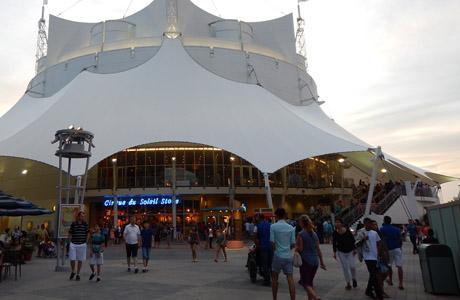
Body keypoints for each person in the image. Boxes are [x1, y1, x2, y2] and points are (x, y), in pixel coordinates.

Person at [296, 215, 326, 300]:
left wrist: (295, 249)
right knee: (310, 283)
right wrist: (322, 262)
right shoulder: (314, 234)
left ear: (302, 223)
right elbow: (318, 249)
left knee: (305, 283)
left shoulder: (301, 234)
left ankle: (315, 297)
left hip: (306, 261)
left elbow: (300, 249)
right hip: (315, 262)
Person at [270, 208, 296, 300]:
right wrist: (287, 249)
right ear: (285, 215)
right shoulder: (291, 228)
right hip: (288, 256)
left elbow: (272, 242)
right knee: (290, 278)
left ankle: (274, 298)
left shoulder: (273, 226)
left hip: (277, 255)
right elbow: (293, 243)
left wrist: (276, 250)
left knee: (274, 278)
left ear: (276, 216)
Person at [356, 218, 383, 300]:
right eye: (367, 223)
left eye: (370, 224)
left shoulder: (374, 233)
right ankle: (379, 295)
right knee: (374, 275)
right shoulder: (361, 232)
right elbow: (356, 244)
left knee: (373, 274)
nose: (369, 225)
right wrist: (363, 240)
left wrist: (378, 252)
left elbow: (379, 243)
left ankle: (368, 290)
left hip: (375, 256)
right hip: (367, 256)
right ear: (364, 224)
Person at [332, 218, 357, 290]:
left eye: (338, 222)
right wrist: (334, 252)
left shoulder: (347, 230)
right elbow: (334, 243)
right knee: (345, 268)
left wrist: (355, 249)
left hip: (350, 251)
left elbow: (352, 240)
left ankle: (354, 278)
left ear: (342, 223)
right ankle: (348, 283)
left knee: (352, 266)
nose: (337, 224)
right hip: (341, 252)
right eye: (336, 222)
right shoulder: (335, 233)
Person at [380, 216, 404, 290]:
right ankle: (400, 283)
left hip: (388, 250)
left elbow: (381, 240)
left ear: (384, 221)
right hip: (397, 248)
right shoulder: (397, 229)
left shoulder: (382, 229)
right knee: (399, 266)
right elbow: (400, 239)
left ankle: (390, 280)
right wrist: (399, 247)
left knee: (388, 265)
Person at [69, 211, 89, 281]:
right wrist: (69, 241)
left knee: (80, 259)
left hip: (82, 243)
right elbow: (70, 233)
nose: (83, 217)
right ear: (78, 216)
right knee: (72, 259)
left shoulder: (85, 224)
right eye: (81, 216)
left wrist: (86, 241)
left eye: (83, 216)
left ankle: (78, 274)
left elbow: (87, 233)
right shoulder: (73, 224)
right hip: (73, 243)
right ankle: (73, 271)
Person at [255, 214, 272, 286]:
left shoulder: (258, 226)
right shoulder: (270, 225)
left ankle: (267, 280)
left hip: (263, 247)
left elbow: (256, 237)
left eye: (256, 218)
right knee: (270, 263)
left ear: (258, 218)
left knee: (264, 264)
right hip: (271, 247)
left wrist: (257, 245)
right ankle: (272, 278)